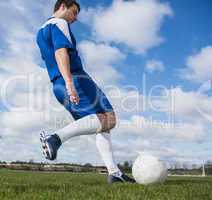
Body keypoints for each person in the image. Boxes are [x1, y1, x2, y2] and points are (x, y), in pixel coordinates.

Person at [36, 0, 135, 184]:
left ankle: (114, 173)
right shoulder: (59, 23)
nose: (75, 19)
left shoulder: (40, 33)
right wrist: (70, 83)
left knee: (101, 123)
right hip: (75, 79)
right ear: (62, 6)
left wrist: (64, 83)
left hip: (57, 84)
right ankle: (55, 138)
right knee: (109, 118)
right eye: (74, 13)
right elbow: (60, 52)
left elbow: (50, 58)